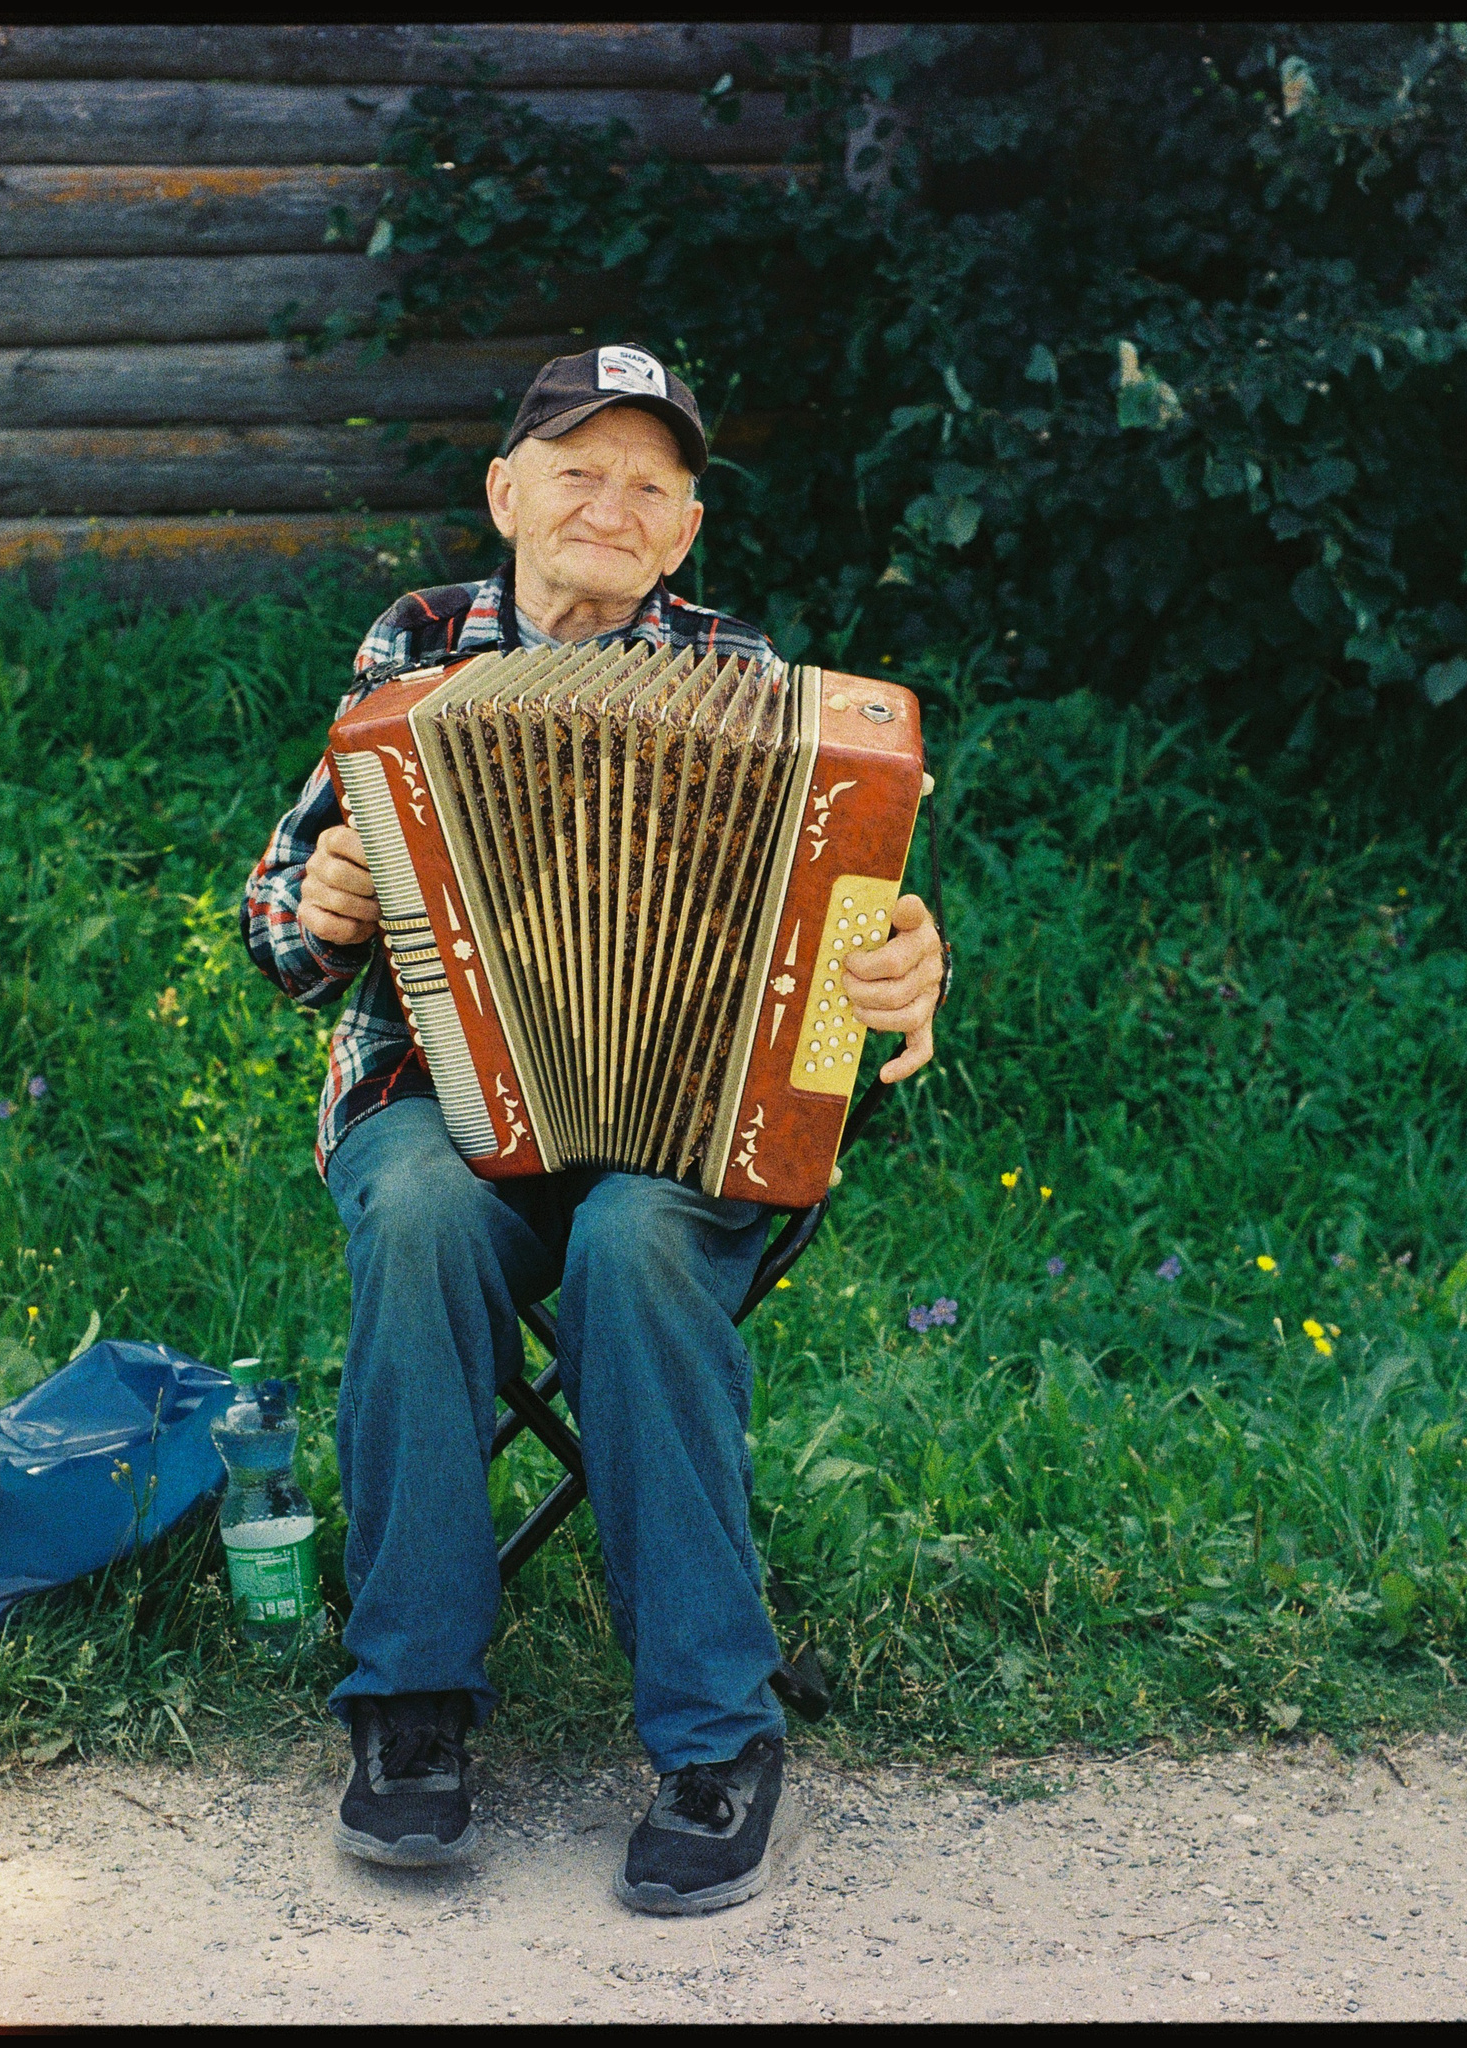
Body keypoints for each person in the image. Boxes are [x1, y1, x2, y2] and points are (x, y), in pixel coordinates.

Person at [240, 344, 949, 1914]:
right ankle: (410, 1711)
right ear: (507, 494)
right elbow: (279, 919)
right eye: (577, 468)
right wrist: (325, 900)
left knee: (634, 1241)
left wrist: (904, 971)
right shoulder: (413, 649)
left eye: (650, 482)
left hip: (677, 1129)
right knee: (420, 1216)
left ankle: (716, 1739)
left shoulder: (757, 690)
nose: (610, 505)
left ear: (687, 529)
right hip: (436, 1109)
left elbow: (854, 950)